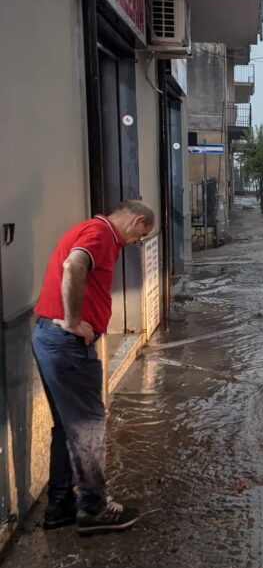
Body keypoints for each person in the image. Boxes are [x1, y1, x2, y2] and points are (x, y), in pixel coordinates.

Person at [32, 200, 155, 534]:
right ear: (136, 220)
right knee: (88, 425)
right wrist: (73, 322)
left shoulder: (89, 229)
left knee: (66, 426)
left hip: (49, 338)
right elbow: (74, 267)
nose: (135, 243)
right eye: (139, 236)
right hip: (66, 344)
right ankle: (95, 507)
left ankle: (60, 505)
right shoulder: (102, 234)